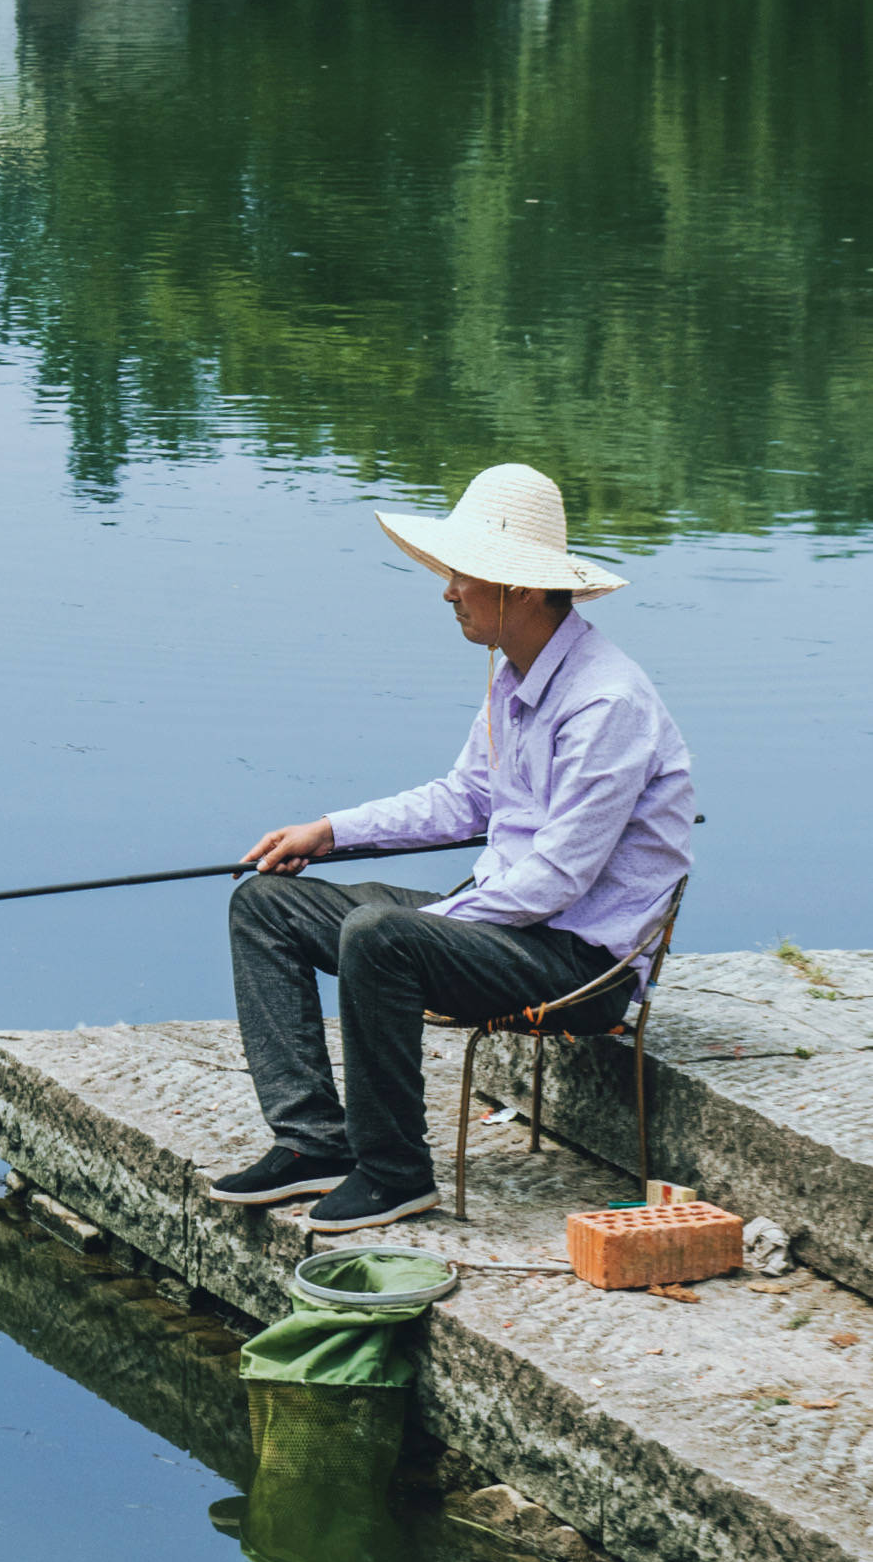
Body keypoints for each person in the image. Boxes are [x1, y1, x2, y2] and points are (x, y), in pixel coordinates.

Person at [212, 464, 692, 1237]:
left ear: (521, 588)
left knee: (380, 936)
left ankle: (395, 1172)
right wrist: (328, 830)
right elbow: (463, 798)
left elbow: (556, 879)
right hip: (503, 929)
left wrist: (440, 923)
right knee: (264, 903)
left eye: (462, 575)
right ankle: (313, 1143)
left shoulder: (608, 702)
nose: (447, 591)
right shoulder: (513, 677)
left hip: (575, 960)